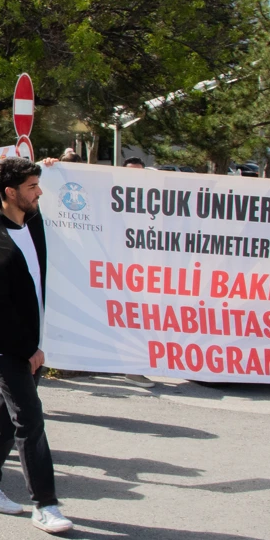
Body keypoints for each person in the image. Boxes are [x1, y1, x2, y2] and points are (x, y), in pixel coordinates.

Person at [0, 157, 71, 532]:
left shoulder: (31, 219)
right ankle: (45, 504)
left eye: (38, 185)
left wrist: (47, 165)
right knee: (29, 420)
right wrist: (28, 350)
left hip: (30, 342)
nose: (39, 193)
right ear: (10, 193)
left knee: (4, 420)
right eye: (32, 187)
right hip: (5, 347)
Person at [117, 157, 157, 388]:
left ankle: (134, 370)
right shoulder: (107, 194)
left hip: (141, 274)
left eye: (139, 173)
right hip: (113, 272)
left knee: (138, 320)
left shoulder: (151, 199)